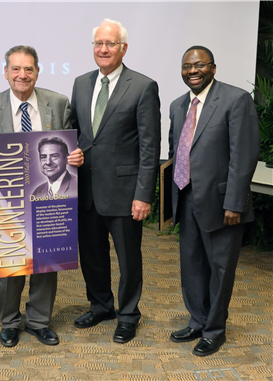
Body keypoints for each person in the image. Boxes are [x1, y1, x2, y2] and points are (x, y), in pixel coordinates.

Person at [0, 45, 83, 347]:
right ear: (6, 72)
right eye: (16, 69)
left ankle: (38, 321)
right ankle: (9, 322)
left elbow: (73, 146)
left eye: (29, 69)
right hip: (6, 202)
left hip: (51, 199)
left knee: (46, 263)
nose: (22, 75)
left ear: (38, 71)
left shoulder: (59, 104)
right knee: (11, 265)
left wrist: (76, 157)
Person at [71, 19, 161, 343]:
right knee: (92, 254)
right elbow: (75, 134)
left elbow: (150, 147)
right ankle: (100, 305)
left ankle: (128, 315)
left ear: (123, 48)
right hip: (85, 189)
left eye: (110, 44)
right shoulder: (81, 83)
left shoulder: (142, 86)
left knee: (128, 259)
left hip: (124, 192)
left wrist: (144, 195)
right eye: (98, 43)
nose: (103, 49)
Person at [168, 46, 260, 356]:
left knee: (220, 269)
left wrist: (234, 202)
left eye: (199, 65)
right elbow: (177, 152)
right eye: (186, 66)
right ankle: (197, 319)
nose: (192, 71)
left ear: (213, 68)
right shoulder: (178, 105)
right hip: (187, 197)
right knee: (192, 265)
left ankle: (215, 329)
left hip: (223, 205)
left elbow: (244, 155)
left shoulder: (235, 100)